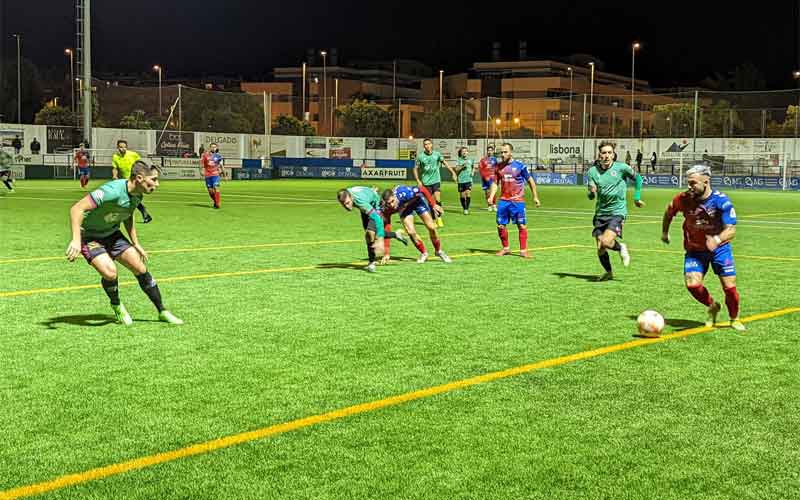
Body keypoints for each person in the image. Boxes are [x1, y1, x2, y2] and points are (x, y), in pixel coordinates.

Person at [64, 161, 183, 325]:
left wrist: (136, 243)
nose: (157, 184)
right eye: (154, 179)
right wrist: (76, 240)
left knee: (140, 268)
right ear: (140, 178)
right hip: (90, 236)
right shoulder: (111, 191)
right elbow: (77, 208)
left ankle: (162, 311)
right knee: (110, 273)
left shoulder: (137, 194)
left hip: (112, 234)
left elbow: (128, 214)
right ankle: (117, 304)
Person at [661, 165, 744, 331]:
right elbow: (669, 211)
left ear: (706, 182)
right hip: (695, 250)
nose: (689, 186)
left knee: (729, 288)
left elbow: (731, 229)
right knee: (692, 284)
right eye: (688, 183)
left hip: (720, 249)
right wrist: (665, 232)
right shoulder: (683, 198)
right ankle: (713, 305)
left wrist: (717, 239)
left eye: (693, 183)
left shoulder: (721, 201)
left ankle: (734, 319)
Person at [586, 140, 644, 280]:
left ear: (613, 155)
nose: (606, 155)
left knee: (606, 242)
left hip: (617, 212)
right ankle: (609, 272)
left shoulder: (621, 168)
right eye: (603, 153)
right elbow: (590, 194)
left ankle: (621, 247)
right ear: (599, 155)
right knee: (600, 248)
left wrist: (636, 198)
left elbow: (638, 179)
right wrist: (591, 192)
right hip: (600, 213)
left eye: (609, 153)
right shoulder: (592, 171)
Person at [487, 143, 541, 258]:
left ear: (511, 152)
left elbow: (530, 181)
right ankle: (505, 248)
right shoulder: (498, 167)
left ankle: (523, 251)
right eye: (501, 152)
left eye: (505, 152)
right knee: (500, 225)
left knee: (521, 225)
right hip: (503, 201)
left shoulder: (520, 166)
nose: (502, 154)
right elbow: (495, 183)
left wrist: (535, 197)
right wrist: (491, 196)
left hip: (517, 201)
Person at [337, 186, 407, 272]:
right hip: (366, 207)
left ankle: (371, 263)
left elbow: (377, 218)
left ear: (351, 197)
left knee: (370, 234)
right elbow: (360, 189)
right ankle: (396, 234)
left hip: (376, 206)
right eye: (343, 204)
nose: (347, 207)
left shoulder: (360, 201)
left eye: (348, 203)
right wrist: (371, 191)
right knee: (369, 236)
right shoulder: (348, 193)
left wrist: (380, 240)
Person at [381, 184, 451, 264]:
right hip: (405, 209)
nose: (392, 205)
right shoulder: (386, 208)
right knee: (410, 231)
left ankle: (438, 251)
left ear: (394, 196)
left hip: (417, 202)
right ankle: (424, 253)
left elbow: (422, 189)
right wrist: (386, 253)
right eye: (388, 203)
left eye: (392, 201)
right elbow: (387, 227)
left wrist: (433, 204)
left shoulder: (405, 193)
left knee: (431, 227)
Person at [413, 138, 456, 227]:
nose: (427, 146)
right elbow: (415, 168)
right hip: (426, 182)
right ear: (423, 146)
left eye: (429, 144)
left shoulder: (437, 154)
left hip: (436, 180)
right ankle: (433, 219)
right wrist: (418, 180)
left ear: (432, 144)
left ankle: (439, 218)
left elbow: (445, 163)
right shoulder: (420, 156)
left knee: (437, 199)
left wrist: (453, 172)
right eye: (425, 144)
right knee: (430, 202)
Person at [112, 140, 153, 223]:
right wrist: (114, 176)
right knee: (131, 199)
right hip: (125, 181)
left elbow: (141, 164)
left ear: (126, 147)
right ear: (117, 147)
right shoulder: (115, 157)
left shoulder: (133, 155)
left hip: (135, 180)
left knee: (132, 198)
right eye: (120, 147)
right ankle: (144, 214)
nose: (122, 149)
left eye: (124, 147)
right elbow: (115, 168)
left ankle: (143, 214)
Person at [200, 143, 224, 209]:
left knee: (216, 187)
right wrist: (201, 170)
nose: (213, 148)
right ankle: (215, 201)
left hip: (215, 174)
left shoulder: (218, 156)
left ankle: (217, 204)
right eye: (212, 147)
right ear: (210, 148)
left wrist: (223, 173)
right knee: (210, 191)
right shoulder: (205, 155)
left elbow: (221, 165)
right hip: (207, 175)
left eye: (215, 147)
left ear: (216, 148)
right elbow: (202, 164)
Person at [454, 146, 474, 215]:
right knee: (462, 196)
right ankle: (464, 207)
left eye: (466, 151)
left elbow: (473, 167)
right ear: (461, 153)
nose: (464, 152)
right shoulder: (458, 160)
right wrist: (462, 166)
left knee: (468, 193)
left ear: (468, 152)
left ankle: (466, 209)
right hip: (461, 180)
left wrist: (473, 172)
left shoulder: (471, 160)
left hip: (469, 179)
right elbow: (456, 169)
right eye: (463, 151)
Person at [478, 145, 498, 211]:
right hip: (485, 179)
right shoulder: (483, 160)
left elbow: (497, 168)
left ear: (493, 151)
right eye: (488, 150)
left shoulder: (495, 160)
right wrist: (485, 176)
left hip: (493, 178)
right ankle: (489, 205)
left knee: (493, 192)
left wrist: (496, 176)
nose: (489, 152)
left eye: (491, 150)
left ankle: (494, 205)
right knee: (487, 192)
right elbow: (481, 169)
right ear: (487, 151)